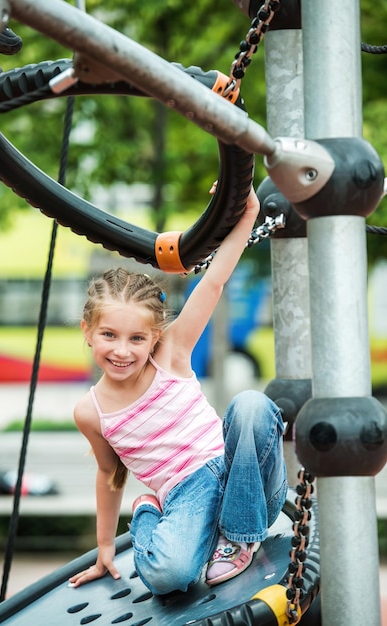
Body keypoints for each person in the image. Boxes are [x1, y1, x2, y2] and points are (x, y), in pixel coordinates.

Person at [68, 185, 287, 595]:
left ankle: (238, 537)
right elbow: (108, 473)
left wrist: (248, 211)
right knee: (168, 578)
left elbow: (215, 282)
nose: (121, 350)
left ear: (154, 338)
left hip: (242, 472)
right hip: (187, 494)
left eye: (136, 338)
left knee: (252, 406)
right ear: (88, 332)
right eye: (109, 335)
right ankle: (151, 514)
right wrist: (103, 548)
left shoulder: (170, 353)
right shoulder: (91, 411)